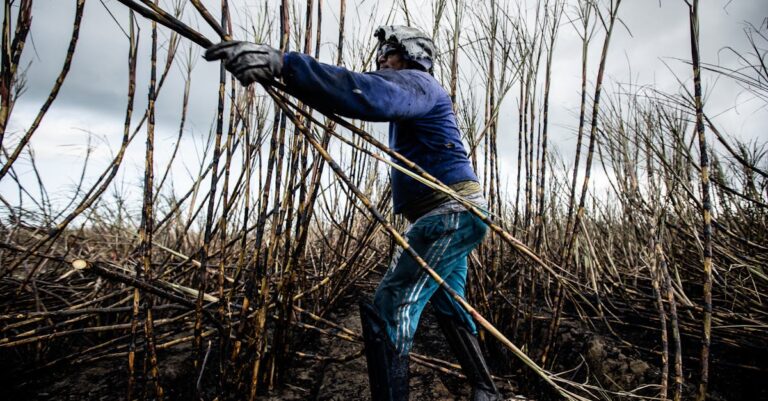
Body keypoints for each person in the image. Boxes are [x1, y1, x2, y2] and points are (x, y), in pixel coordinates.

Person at [205, 25, 501, 401]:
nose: (380, 59)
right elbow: (353, 94)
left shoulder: (418, 83)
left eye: (389, 52)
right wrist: (293, 79)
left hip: (450, 213)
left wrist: (284, 64)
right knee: (448, 298)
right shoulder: (417, 92)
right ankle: (485, 390)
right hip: (455, 214)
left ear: (412, 57)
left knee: (394, 302)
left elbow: (366, 93)